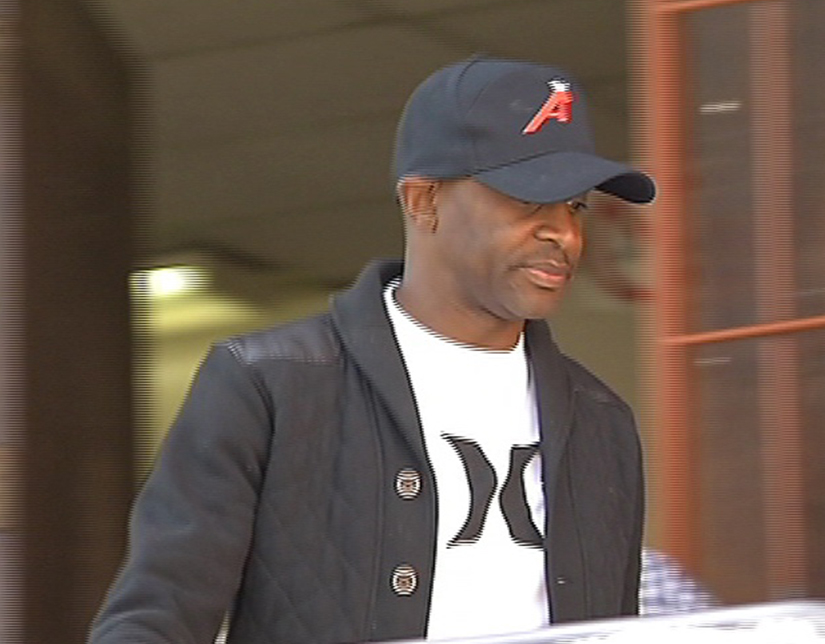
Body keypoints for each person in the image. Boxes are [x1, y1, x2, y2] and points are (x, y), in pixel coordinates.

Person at [89, 56, 656, 644]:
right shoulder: (268, 384)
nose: (563, 232)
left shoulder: (601, 420)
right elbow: (158, 616)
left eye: (575, 206)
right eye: (529, 200)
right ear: (423, 201)